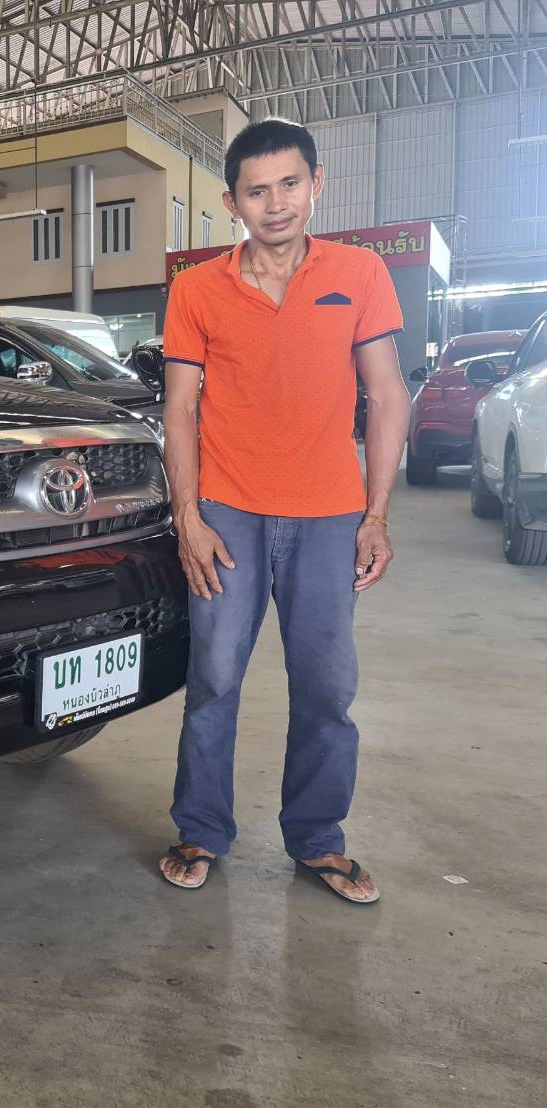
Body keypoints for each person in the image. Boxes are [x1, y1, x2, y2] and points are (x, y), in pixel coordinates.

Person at [156, 118, 411, 904]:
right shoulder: (196, 288)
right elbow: (179, 410)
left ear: (315, 183)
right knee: (213, 680)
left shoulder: (358, 273)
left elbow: (386, 396)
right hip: (227, 513)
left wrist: (375, 514)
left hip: (329, 515)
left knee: (326, 689)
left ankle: (317, 839)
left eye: (289, 184)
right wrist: (188, 518)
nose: (276, 204)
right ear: (231, 202)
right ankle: (201, 828)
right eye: (257, 191)